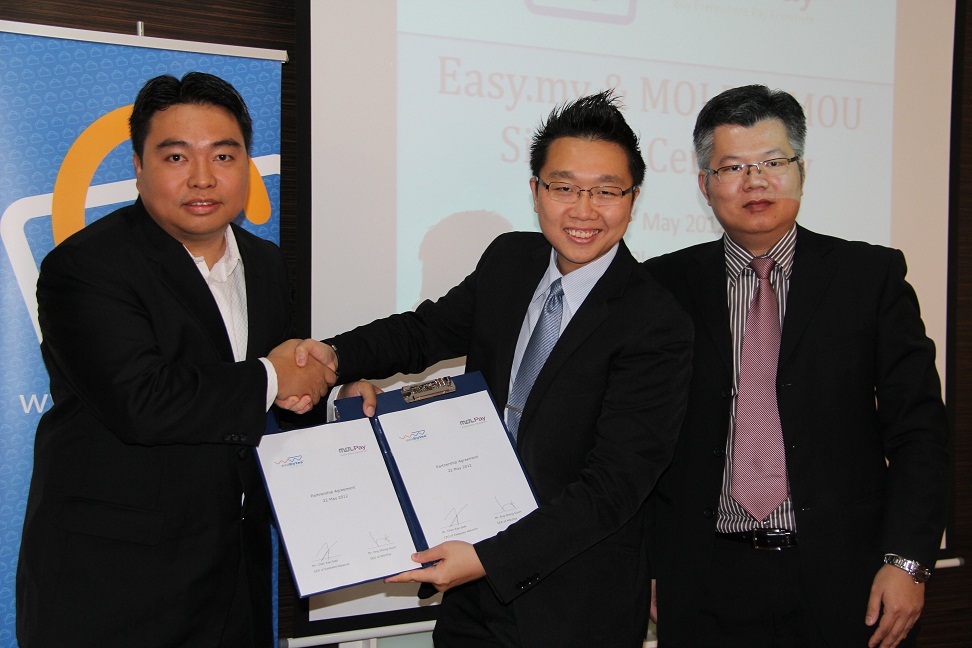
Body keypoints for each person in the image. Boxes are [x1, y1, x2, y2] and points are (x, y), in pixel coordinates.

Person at [299, 90, 693, 647]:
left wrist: (489, 558)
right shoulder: (510, 260)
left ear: (632, 200)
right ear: (535, 191)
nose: (583, 210)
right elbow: (424, 332)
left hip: (577, 604)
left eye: (606, 191)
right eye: (563, 187)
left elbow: (614, 486)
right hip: (473, 597)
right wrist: (332, 358)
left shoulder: (655, 320)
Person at [16, 72, 334, 648]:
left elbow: (271, 399)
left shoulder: (265, 264)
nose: (203, 177)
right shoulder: (86, 267)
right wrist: (274, 376)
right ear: (138, 167)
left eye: (224, 155)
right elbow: (142, 402)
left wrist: (325, 392)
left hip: (234, 576)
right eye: (176, 156)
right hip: (114, 586)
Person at [643, 84, 949, 648]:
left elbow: (919, 431)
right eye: (733, 167)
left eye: (773, 162)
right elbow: (642, 440)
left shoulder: (869, 277)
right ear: (705, 184)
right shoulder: (662, 286)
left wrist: (908, 561)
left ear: (801, 172)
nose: (755, 181)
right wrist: (652, 564)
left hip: (848, 578)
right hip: (707, 579)